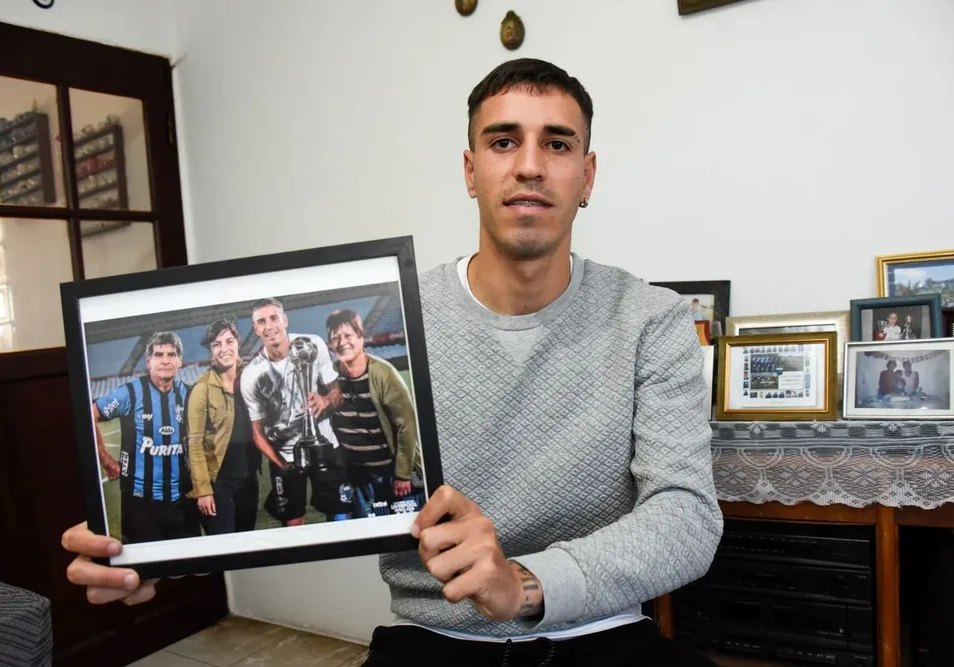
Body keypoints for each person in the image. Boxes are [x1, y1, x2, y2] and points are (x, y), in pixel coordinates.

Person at [60, 58, 723, 665]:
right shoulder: (407, 311)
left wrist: (523, 582)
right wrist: (152, 549)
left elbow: (686, 516)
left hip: (599, 629)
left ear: (587, 175)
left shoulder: (651, 320)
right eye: (502, 141)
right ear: (470, 171)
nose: (529, 165)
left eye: (556, 143)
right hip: (434, 636)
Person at [239, 297, 352, 524]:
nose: (269, 326)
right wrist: (282, 465)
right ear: (256, 329)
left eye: (274, 318)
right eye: (261, 321)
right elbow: (257, 433)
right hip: (287, 454)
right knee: (292, 521)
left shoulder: (313, 344)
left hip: (325, 445)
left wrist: (325, 401)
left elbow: (337, 395)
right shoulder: (251, 374)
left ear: (285, 320)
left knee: (341, 513)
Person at [91, 331, 197, 545]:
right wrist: (106, 461)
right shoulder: (129, 393)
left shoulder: (190, 394)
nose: (165, 360)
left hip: (183, 501)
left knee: (188, 567)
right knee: (145, 570)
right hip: (139, 504)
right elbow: (90, 415)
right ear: (148, 361)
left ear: (180, 361)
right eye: (159, 355)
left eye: (171, 354)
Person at [324, 308, 425, 518]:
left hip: (392, 474)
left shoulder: (385, 374)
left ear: (361, 336)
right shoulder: (329, 378)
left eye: (348, 335)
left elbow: (406, 425)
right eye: (335, 338)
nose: (342, 342)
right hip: (358, 479)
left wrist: (402, 474)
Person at [185, 317, 261, 535]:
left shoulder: (251, 377)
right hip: (219, 484)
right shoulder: (201, 389)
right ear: (211, 350)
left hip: (249, 480)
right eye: (217, 345)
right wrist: (203, 491)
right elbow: (195, 444)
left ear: (238, 343)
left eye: (229, 341)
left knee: (248, 543)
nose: (224, 349)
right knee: (224, 546)